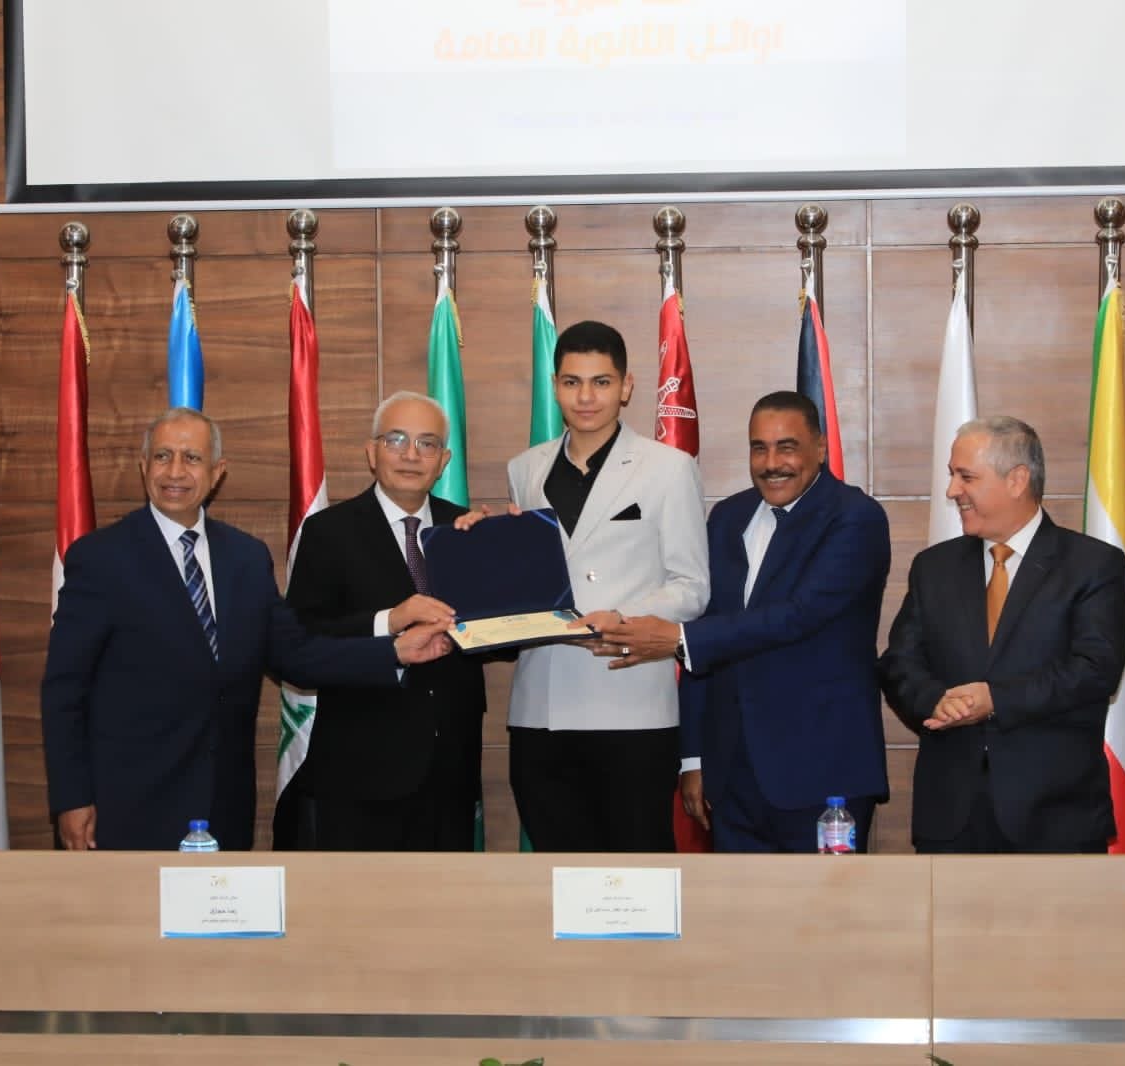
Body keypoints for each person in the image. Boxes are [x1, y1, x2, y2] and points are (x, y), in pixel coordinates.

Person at [41, 407, 452, 852]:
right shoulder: (100, 558)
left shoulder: (246, 558)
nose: (175, 472)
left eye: (192, 458)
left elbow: (296, 655)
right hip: (125, 807)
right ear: (144, 466)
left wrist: (395, 651)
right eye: (162, 456)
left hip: (223, 806)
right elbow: (65, 689)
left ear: (217, 472)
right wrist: (71, 798)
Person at [602, 391, 891, 852]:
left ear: (820, 448)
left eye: (787, 447)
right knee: (736, 901)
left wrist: (678, 637)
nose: (771, 463)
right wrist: (693, 758)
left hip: (823, 775)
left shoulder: (856, 519)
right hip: (732, 777)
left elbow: (799, 615)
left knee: (826, 902)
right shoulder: (727, 518)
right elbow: (706, 630)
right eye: (759, 448)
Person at [879, 415, 1125, 854]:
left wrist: (995, 699)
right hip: (951, 818)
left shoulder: (1092, 565)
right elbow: (899, 663)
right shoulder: (934, 567)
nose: (951, 491)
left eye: (966, 477)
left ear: (1017, 480)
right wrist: (935, 700)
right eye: (952, 475)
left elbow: (1095, 670)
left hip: (1054, 817)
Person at [504, 320, 709, 852]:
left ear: (626, 386)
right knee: (556, 872)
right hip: (540, 708)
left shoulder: (669, 468)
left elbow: (692, 586)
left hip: (630, 703)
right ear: (555, 386)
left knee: (635, 873)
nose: (586, 397)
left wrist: (621, 618)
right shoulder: (524, 470)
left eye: (601, 382)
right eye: (572, 382)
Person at [276, 391, 485, 851]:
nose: (411, 455)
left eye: (427, 444)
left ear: (444, 460)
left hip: (451, 773)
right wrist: (390, 621)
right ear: (372, 452)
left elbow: (502, 637)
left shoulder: (466, 531)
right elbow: (301, 643)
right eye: (396, 440)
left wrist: (515, 549)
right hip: (360, 773)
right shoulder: (328, 532)